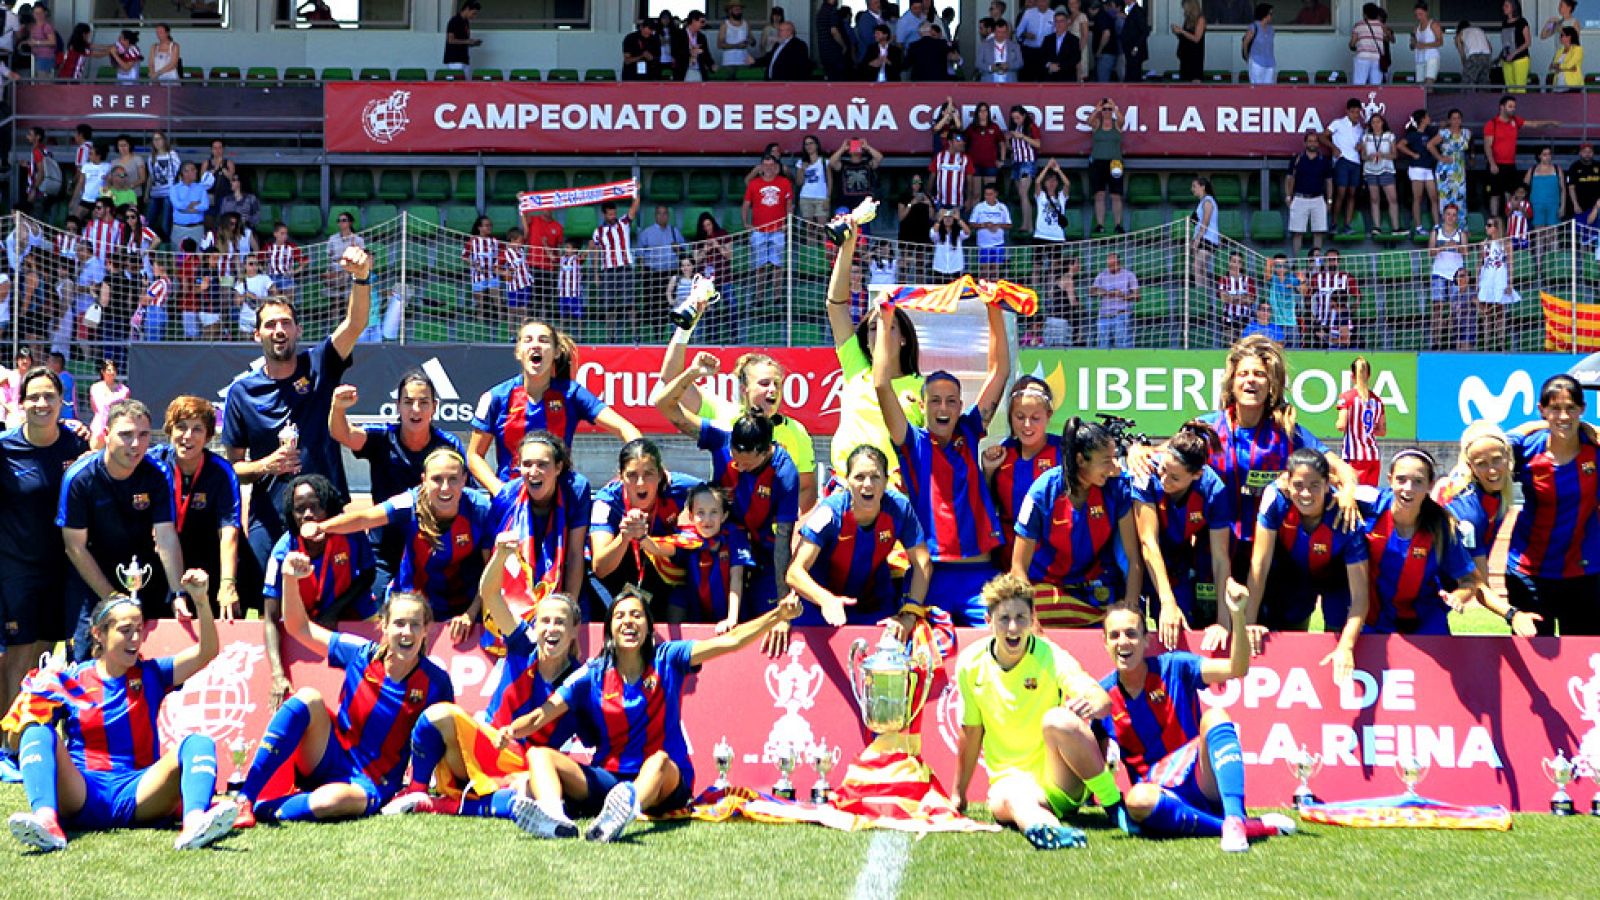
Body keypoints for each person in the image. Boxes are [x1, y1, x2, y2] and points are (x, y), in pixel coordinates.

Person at [499, 589, 802, 842]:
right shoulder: (591, 673)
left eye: (636, 615)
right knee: (540, 756)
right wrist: (511, 730)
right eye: (620, 616)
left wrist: (777, 616)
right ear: (609, 629)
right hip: (610, 781)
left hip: (665, 782)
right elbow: (540, 717)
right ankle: (555, 820)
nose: (628, 622)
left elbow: (731, 641)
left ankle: (621, 817)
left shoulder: (669, 657)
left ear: (647, 625)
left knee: (657, 761)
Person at [5, 570, 238, 853]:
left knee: (199, 742)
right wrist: (36, 695)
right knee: (38, 731)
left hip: (140, 790)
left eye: (139, 629)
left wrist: (201, 600)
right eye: (125, 630)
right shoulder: (71, 680)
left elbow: (207, 652)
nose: (135, 638)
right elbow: (18, 743)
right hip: (83, 791)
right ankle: (46, 823)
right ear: (98, 634)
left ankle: (195, 824)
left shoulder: (153, 673)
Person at [233, 561, 452, 827]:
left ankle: (265, 808)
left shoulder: (437, 682)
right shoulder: (360, 653)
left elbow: (442, 739)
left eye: (415, 625)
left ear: (427, 629)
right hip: (329, 753)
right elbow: (298, 627)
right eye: (399, 624)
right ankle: (244, 799)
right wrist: (290, 578)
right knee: (308, 698)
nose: (407, 633)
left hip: (371, 783)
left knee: (330, 803)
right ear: (383, 626)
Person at [382, 537, 584, 819]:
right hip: (487, 743)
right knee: (439, 715)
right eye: (545, 621)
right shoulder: (522, 642)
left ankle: (435, 804)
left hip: (527, 768)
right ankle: (416, 789)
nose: (551, 629)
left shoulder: (581, 680)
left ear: (575, 630)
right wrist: (500, 555)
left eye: (560, 622)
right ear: (535, 625)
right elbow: (490, 595)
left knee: (529, 792)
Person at [222, 247, 372, 604]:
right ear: (256, 335)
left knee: (340, 601)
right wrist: (265, 465)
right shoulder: (242, 392)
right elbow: (232, 467)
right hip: (270, 516)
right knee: (268, 604)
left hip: (329, 512)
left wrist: (362, 276)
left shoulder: (320, 363)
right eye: (270, 325)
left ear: (297, 330)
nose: (279, 330)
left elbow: (355, 324)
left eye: (285, 323)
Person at [1099, 598, 1294, 851]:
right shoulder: (1101, 696)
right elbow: (1092, 758)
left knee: (1216, 715)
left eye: (1131, 634)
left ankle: (1235, 817)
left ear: (1147, 640)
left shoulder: (1175, 666)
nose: (1123, 642)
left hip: (1201, 781)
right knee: (1136, 800)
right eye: (1114, 636)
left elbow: (1238, 668)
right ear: (1104, 643)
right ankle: (1245, 826)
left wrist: (1237, 615)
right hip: (1159, 796)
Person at [953, 573, 1124, 851]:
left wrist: (1093, 702)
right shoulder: (969, 664)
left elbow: (1101, 700)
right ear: (988, 621)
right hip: (1012, 782)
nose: (1013, 627)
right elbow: (971, 732)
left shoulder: (1050, 655)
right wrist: (957, 795)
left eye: (1021, 617)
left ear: (1033, 619)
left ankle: (1114, 805)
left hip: (1060, 782)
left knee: (1058, 719)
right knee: (1010, 799)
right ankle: (1048, 831)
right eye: (1004, 619)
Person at [874, 295, 1007, 626]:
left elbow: (1000, 371)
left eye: (950, 401)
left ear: (961, 405)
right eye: (935, 401)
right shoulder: (912, 442)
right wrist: (885, 320)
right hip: (928, 574)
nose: (943, 408)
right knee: (916, 655)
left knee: (1002, 647)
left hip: (980, 575)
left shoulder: (971, 431)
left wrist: (993, 307)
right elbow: (881, 383)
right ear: (923, 405)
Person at [308, 449, 492, 631]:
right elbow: (365, 518)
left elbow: (491, 572)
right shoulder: (409, 503)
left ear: (464, 479)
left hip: (463, 608)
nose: (445, 488)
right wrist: (322, 527)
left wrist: (471, 613)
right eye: (437, 479)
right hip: (412, 602)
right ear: (424, 481)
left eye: (453, 479)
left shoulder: (480, 509)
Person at [59, 399, 186, 663]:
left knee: (148, 661)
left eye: (143, 435)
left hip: (142, 577)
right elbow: (74, 547)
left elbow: (165, 536)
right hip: (91, 581)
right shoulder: (79, 477)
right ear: (106, 436)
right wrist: (113, 599)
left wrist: (178, 593)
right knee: (86, 662)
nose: (136, 444)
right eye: (126, 435)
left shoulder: (157, 474)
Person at [0, 369, 89, 712]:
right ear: (21, 404)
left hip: (63, 569)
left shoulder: (75, 442)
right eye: (33, 397)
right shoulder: (5, 448)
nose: (41, 403)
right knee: (18, 656)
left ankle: (27, 734)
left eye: (49, 396)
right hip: (16, 570)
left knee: (43, 655)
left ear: (62, 401)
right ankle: (8, 747)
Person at [467, 320, 637, 495]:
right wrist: (500, 490)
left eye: (543, 340)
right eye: (528, 340)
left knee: (582, 487)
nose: (535, 345)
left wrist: (635, 465)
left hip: (561, 498)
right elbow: (474, 456)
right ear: (518, 352)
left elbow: (626, 429)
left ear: (556, 352)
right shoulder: (496, 397)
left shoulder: (571, 393)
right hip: (513, 496)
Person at [330, 373, 466, 591]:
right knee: (378, 616)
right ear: (398, 406)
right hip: (384, 549)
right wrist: (338, 408)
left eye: (423, 403)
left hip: (432, 548)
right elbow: (343, 434)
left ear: (435, 407)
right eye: (408, 402)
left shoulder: (449, 446)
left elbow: (465, 497)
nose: (415, 409)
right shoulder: (382, 437)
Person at [1243, 449, 1369, 679]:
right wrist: (1248, 623)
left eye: (1314, 485)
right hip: (1292, 576)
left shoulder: (1346, 514)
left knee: (1338, 637)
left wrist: (1346, 646)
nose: (1306, 494)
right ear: (1287, 483)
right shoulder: (1276, 499)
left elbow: (1360, 596)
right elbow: (1259, 564)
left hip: (1336, 578)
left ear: (1328, 483)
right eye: (1298, 485)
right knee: (1288, 634)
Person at [1012, 417, 1143, 628]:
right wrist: (1029, 616)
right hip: (1047, 588)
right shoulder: (1043, 491)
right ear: (1081, 460)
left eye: (1114, 458)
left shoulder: (1117, 488)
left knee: (1119, 625)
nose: (1114, 466)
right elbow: (1018, 567)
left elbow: (1132, 555)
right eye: (1106, 461)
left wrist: (1132, 603)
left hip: (1094, 589)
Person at [1498, 376, 1600, 636]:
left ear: (1583, 409)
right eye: (1554, 409)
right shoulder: (1525, 450)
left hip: (1585, 573)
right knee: (1534, 661)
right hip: (1528, 573)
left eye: (1571, 408)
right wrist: (1533, 426)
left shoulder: (1595, 450)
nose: (1563, 416)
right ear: (1541, 410)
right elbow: (1489, 445)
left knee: (1583, 664)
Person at [787, 443, 928, 631]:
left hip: (873, 606)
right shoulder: (829, 512)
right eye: (859, 477)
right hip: (819, 606)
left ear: (886, 481)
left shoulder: (900, 509)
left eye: (875, 477)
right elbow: (794, 572)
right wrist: (826, 600)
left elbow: (922, 562)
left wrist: (910, 613)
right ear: (847, 481)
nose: (868, 485)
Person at [825, 226, 924, 484]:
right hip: (843, 490)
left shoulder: (923, 388)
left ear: (904, 339)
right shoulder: (855, 367)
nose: (877, 334)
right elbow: (835, 305)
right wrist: (849, 246)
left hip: (896, 496)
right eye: (872, 328)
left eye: (887, 326)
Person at [1133, 421, 1232, 647]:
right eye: (1164, 469)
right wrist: (1168, 602)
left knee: (1179, 629)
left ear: (1197, 475)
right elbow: (1148, 542)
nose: (1164, 479)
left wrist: (1224, 622)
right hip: (1139, 560)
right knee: (1131, 629)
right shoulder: (1146, 474)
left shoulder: (1214, 490)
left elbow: (1220, 558)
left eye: (1175, 478)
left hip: (1181, 562)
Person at [1435, 422, 1538, 635]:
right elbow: (1477, 583)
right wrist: (1513, 615)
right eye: (1482, 464)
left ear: (1508, 456)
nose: (1492, 470)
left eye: (1497, 460)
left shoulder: (1492, 452)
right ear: (1470, 466)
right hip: (1430, 588)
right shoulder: (1469, 512)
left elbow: (1521, 431)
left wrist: (1584, 428)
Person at [1361, 450, 1477, 636]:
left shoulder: (1441, 528)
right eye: (1401, 480)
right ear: (1389, 479)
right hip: (1372, 619)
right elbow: (1323, 490)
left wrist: (1457, 597)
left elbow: (1470, 581)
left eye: (1418, 481)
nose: (1408, 488)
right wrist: (1344, 495)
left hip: (1425, 622)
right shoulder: (1368, 506)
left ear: (1430, 485)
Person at [148, 396, 242, 619]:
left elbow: (229, 532)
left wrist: (227, 583)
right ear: (169, 430)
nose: (188, 436)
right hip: (162, 557)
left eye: (197, 429)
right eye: (181, 427)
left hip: (207, 557)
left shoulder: (221, 472)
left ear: (208, 436)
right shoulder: (152, 463)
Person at [589, 439, 704, 614]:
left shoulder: (682, 488)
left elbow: (720, 498)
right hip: (616, 575)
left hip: (662, 572)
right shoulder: (606, 502)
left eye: (649, 473)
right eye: (632, 475)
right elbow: (600, 568)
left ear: (660, 474)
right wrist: (624, 536)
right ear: (620, 476)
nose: (641, 483)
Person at [983, 377, 1061, 570]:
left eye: (1035, 418)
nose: (1027, 425)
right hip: (1009, 558)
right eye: (1019, 417)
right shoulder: (1002, 453)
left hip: (1053, 560)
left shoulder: (1065, 451)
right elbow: (987, 506)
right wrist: (988, 471)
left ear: (1048, 415)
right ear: (1010, 416)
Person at [1335, 358, 1386, 488]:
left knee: (1353, 496)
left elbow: (1341, 425)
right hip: (1373, 456)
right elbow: (1382, 431)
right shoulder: (1377, 400)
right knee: (1370, 497)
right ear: (1369, 375)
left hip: (1354, 456)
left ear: (1352, 376)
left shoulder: (1347, 397)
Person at [1286, 131, 1332, 257]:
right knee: (1297, 232)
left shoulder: (1324, 161)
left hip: (1318, 199)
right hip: (1300, 198)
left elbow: (1329, 181)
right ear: (1305, 143)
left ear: (1318, 144)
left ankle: (1316, 265)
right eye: (1310, 141)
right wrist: (1288, 196)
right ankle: (1298, 262)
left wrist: (1329, 200)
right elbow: (1290, 178)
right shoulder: (1297, 159)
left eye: (1315, 141)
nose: (1312, 143)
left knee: (1318, 232)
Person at [1397, 111, 1440, 236]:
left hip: (1429, 168)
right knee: (1418, 198)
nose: (1430, 118)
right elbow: (1400, 145)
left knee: (1434, 197)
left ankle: (1437, 225)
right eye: (1427, 117)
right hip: (1416, 168)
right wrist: (1413, 154)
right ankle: (1418, 226)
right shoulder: (1413, 134)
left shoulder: (1429, 133)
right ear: (1422, 119)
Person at [1087, 100, 1124, 235]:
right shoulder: (1098, 123)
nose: (1107, 112)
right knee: (1099, 194)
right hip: (1098, 162)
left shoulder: (1116, 124)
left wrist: (1114, 107)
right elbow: (1089, 121)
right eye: (1105, 109)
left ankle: (1118, 224)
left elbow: (1122, 119)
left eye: (1109, 109)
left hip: (1115, 162)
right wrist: (1097, 109)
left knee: (1116, 195)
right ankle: (1100, 224)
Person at [1361, 113, 1401, 237]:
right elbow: (1363, 156)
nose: (1376, 124)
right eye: (1373, 122)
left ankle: (1396, 228)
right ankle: (1376, 227)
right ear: (1370, 124)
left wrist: (1383, 155)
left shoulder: (1389, 136)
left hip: (1386, 169)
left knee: (1392, 199)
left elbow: (1395, 155)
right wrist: (1370, 156)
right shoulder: (1366, 137)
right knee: (1374, 199)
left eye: (1378, 122)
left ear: (1383, 123)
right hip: (1371, 170)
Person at [1476, 218, 1513, 351]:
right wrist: (1477, 281)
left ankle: (1501, 344)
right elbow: (1480, 263)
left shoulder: (1506, 244)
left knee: (1500, 313)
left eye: (1489, 225)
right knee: (1486, 313)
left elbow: (1510, 264)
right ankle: (1487, 344)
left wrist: (1510, 283)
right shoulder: (1484, 244)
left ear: (1497, 227)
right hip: (1486, 279)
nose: (1486, 227)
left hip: (1500, 279)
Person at [1092, 252, 1139, 349]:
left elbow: (1137, 296)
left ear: (1119, 263)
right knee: (1103, 348)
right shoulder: (1102, 275)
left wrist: (1122, 295)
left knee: (1123, 348)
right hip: (1104, 316)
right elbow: (1091, 292)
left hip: (1121, 315)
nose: (1111, 267)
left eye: (1113, 264)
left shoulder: (1129, 275)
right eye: (1109, 265)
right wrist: (1105, 293)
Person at [969, 184, 1011, 280]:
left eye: (990, 194)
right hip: (984, 244)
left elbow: (1009, 225)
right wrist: (984, 225)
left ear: (996, 194)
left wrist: (998, 225)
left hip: (998, 244)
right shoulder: (979, 207)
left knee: (995, 272)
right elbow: (971, 223)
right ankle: (984, 292)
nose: (988, 197)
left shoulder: (1003, 207)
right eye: (986, 194)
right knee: (984, 272)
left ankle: (993, 292)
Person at [86, 359, 128, 450]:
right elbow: (94, 408)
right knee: (95, 453)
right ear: (103, 372)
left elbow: (125, 409)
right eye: (109, 370)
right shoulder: (95, 388)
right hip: (99, 427)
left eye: (114, 370)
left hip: (116, 426)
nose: (112, 372)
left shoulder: (124, 390)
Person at [1524, 147, 1567, 227]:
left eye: (1549, 154)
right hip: (1536, 205)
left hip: (1554, 205)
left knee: (1553, 234)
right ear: (1539, 156)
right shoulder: (1532, 169)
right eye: (1545, 154)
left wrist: (1563, 206)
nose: (1548, 157)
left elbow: (1563, 189)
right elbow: (1523, 189)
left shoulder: (1557, 169)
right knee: (1539, 233)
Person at [1498, 0, 1533, 92]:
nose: (1504, 7)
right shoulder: (1504, 23)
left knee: (1520, 88)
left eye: (1506, 6)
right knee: (1510, 88)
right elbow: (1505, 42)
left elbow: (1528, 42)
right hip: (1506, 59)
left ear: (1513, 7)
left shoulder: (1522, 21)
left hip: (1520, 59)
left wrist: (1514, 53)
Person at [672, 11, 715, 81]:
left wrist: (712, 65)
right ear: (694, 21)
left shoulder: (702, 37)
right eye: (701, 22)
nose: (702, 25)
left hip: (699, 71)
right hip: (684, 72)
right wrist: (690, 52)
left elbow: (706, 54)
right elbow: (674, 52)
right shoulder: (679, 35)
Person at [1349, 3, 1386, 85]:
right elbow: (1387, 38)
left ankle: (1359, 97)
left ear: (1365, 14)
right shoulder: (1382, 26)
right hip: (1377, 58)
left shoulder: (1359, 25)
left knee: (1359, 83)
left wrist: (1353, 47)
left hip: (1362, 57)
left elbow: (1352, 43)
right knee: (1376, 84)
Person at [1041, 10, 1081, 82]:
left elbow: (1076, 58)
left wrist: (1059, 66)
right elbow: (1042, 57)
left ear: (1067, 22)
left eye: (1061, 21)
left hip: (1067, 79)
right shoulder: (1047, 39)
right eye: (1056, 21)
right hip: (1050, 79)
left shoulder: (1074, 40)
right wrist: (1049, 65)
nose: (1059, 24)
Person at [442, 0, 481, 71]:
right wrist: (467, 41)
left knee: (466, 81)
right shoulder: (454, 21)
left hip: (464, 59)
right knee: (458, 81)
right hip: (455, 60)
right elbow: (450, 40)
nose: (474, 16)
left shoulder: (466, 22)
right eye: (473, 13)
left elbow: (463, 42)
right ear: (467, 9)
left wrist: (472, 43)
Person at [1172, 0, 1206, 82]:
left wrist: (1182, 31)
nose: (1184, 10)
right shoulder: (1188, 19)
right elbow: (1186, 37)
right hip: (1185, 56)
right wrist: (1178, 32)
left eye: (1185, 7)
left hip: (1195, 57)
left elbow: (1196, 38)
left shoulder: (1200, 19)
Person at [978, 18, 1020, 83]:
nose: (1001, 35)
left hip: (1009, 83)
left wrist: (1009, 66)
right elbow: (978, 63)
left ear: (1007, 32)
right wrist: (990, 68)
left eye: (1004, 32)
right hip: (989, 84)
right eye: (998, 32)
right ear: (994, 31)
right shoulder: (984, 45)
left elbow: (1020, 63)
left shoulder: (1015, 46)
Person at [1243, 4, 1275, 84]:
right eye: (1270, 14)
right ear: (1264, 14)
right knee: (1257, 89)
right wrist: (1247, 57)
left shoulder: (1271, 29)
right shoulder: (1254, 27)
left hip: (1270, 63)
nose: (1271, 16)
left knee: (1269, 90)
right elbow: (1245, 43)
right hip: (1256, 62)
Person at [1455, 19, 1494, 83]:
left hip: (1474, 57)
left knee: (1467, 83)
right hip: (1487, 57)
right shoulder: (1479, 30)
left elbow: (1462, 53)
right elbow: (1490, 48)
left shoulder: (1460, 34)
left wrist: (1465, 65)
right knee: (1484, 83)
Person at [1120, 0, 1149, 82]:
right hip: (1130, 49)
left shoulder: (1137, 11)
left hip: (1134, 50)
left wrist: (1136, 47)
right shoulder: (1130, 11)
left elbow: (1145, 31)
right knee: (1130, 73)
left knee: (1133, 76)